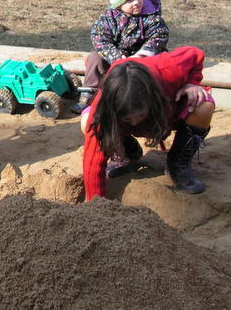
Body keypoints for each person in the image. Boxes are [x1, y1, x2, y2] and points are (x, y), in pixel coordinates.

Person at [81, 46, 214, 201]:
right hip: (119, 125)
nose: (134, 122)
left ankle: (177, 164)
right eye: (127, 118)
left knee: (203, 106)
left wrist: (192, 82)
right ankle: (124, 151)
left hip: (166, 114)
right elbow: (93, 161)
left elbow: (195, 54)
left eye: (140, 115)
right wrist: (96, 201)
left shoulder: (168, 70)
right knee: (86, 121)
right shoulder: (102, 109)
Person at [72, 0, 169, 113]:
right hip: (117, 57)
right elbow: (99, 37)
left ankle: (154, 98)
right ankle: (89, 93)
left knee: (162, 62)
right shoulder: (110, 17)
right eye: (129, 0)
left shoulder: (152, 17)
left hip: (143, 57)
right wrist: (116, 56)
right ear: (118, 4)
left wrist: (141, 55)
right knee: (94, 58)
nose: (136, 2)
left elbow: (158, 37)